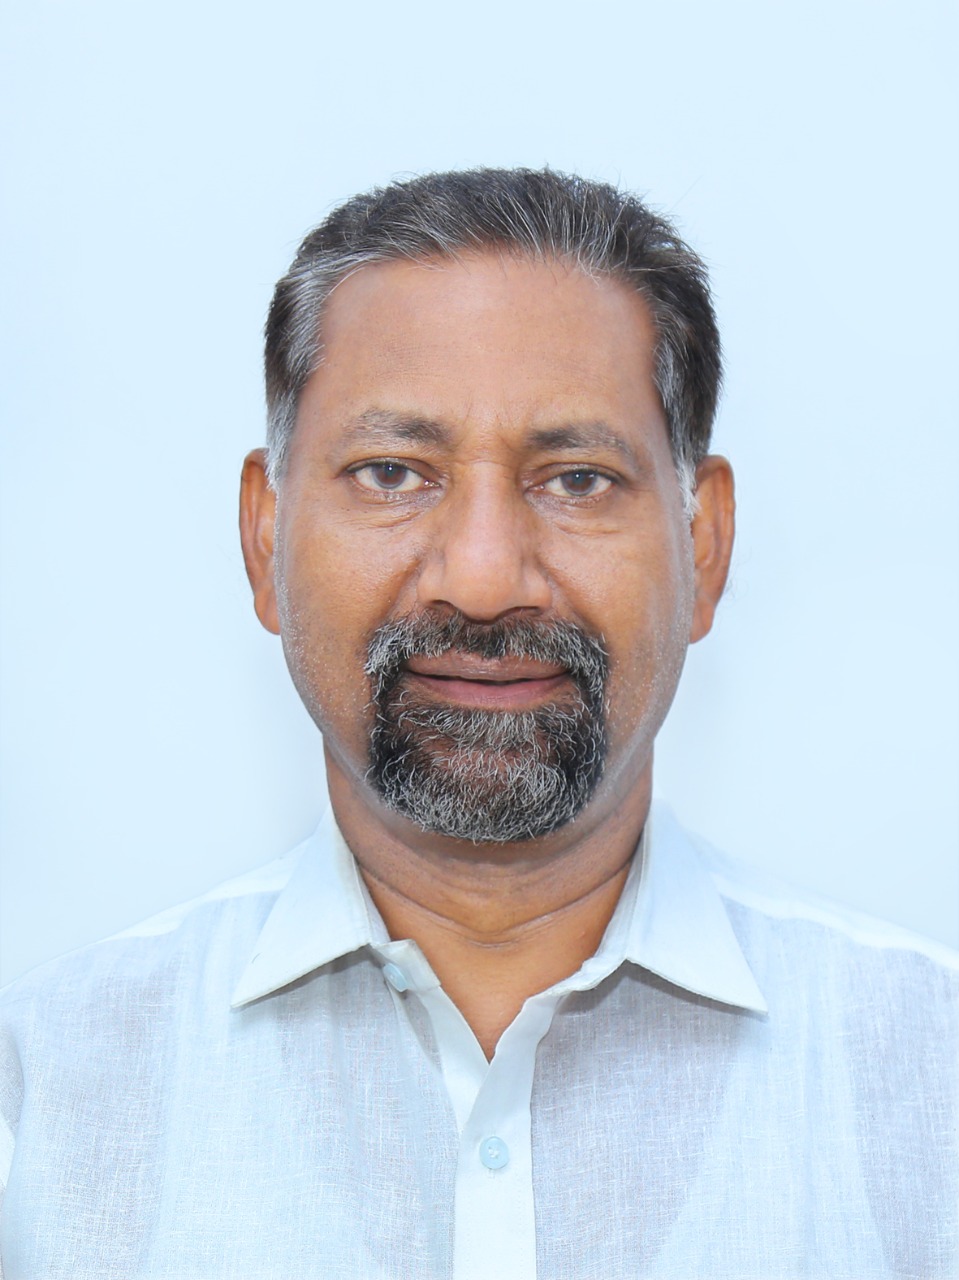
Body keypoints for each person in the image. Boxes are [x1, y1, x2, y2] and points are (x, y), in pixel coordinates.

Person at [0, 168, 955, 1279]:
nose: (486, 578)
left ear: (704, 547)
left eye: (577, 480)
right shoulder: (43, 1097)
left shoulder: (929, 1077)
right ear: (264, 538)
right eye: (392, 473)